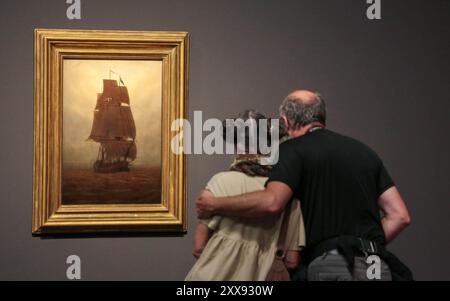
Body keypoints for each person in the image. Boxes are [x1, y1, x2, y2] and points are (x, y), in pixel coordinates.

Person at [196, 91, 412, 281]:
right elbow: (400, 216)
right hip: (374, 263)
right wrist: (360, 244)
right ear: (321, 117)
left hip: (330, 262)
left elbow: (272, 202)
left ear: (285, 121)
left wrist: (214, 204)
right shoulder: (364, 152)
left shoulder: (292, 150)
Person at [185, 110, 306, 281]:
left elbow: (198, 247)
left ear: (236, 143)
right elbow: (292, 260)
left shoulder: (220, 182)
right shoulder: (286, 192)